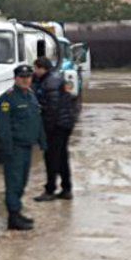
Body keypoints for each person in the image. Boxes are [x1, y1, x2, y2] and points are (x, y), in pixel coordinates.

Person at [0, 65, 47, 231]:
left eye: (28, 77)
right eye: (22, 77)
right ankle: (13, 216)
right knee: (13, 182)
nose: (26, 80)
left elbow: (36, 120)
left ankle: (17, 212)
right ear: (15, 78)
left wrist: (42, 141)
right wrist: (8, 149)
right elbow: (3, 127)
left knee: (22, 181)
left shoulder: (30, 95)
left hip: (27, 147)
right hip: (15, 148)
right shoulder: (7, 99)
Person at [32, 58, 73, 202]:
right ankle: (66, 189)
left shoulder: (50, 83)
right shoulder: (53, 79)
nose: (34, 71)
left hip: (56, 126)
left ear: (42, 68)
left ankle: (50, 190)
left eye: (35, 68)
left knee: (51, 158)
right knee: (61, 157)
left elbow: (52, 108)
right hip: (64, 124)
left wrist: (46, 129)